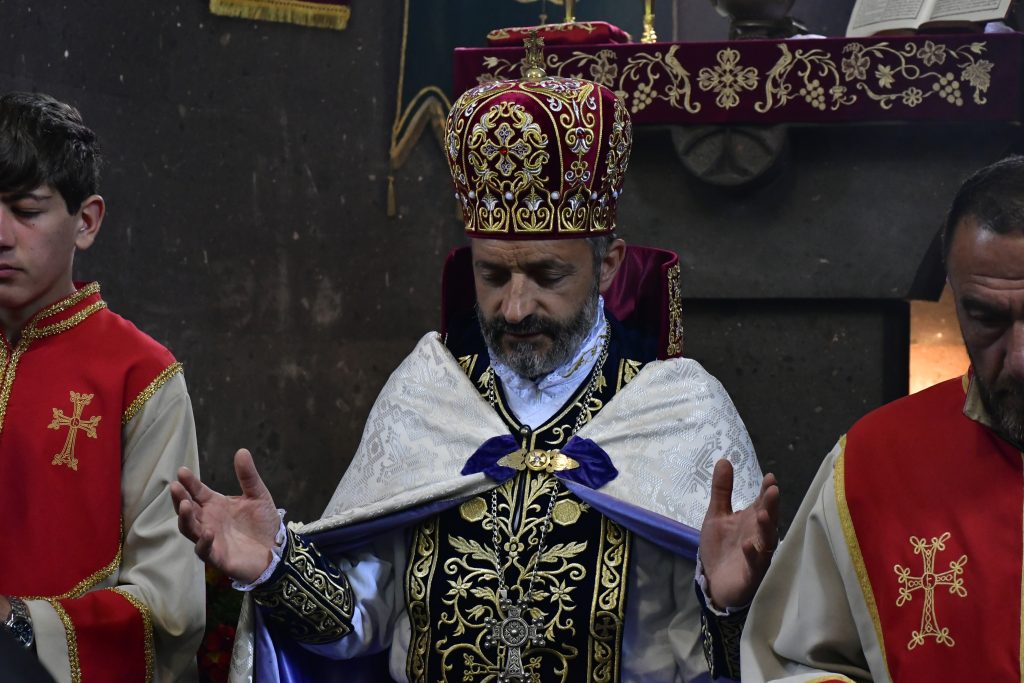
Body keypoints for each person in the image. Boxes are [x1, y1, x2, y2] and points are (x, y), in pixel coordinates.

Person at [173, 39, 776, 683]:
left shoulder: (680, 410)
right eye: (492, 275)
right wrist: (276, 566)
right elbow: (361, 622)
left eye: (546, 275)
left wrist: (731, 608)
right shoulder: (428, 393)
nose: (515, 308)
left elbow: (722, 658)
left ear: (608, 265)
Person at [735, 155, 1024, 681]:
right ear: (955, 299)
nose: (1019, 359)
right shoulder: (874, 463)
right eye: (987, 317)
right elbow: (793, 665)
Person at [0, 92, 205, 682]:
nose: (1, 234)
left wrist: (17, 628)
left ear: (85, 222)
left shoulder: (140, 377)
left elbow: (170, 607)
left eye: (26, 210)